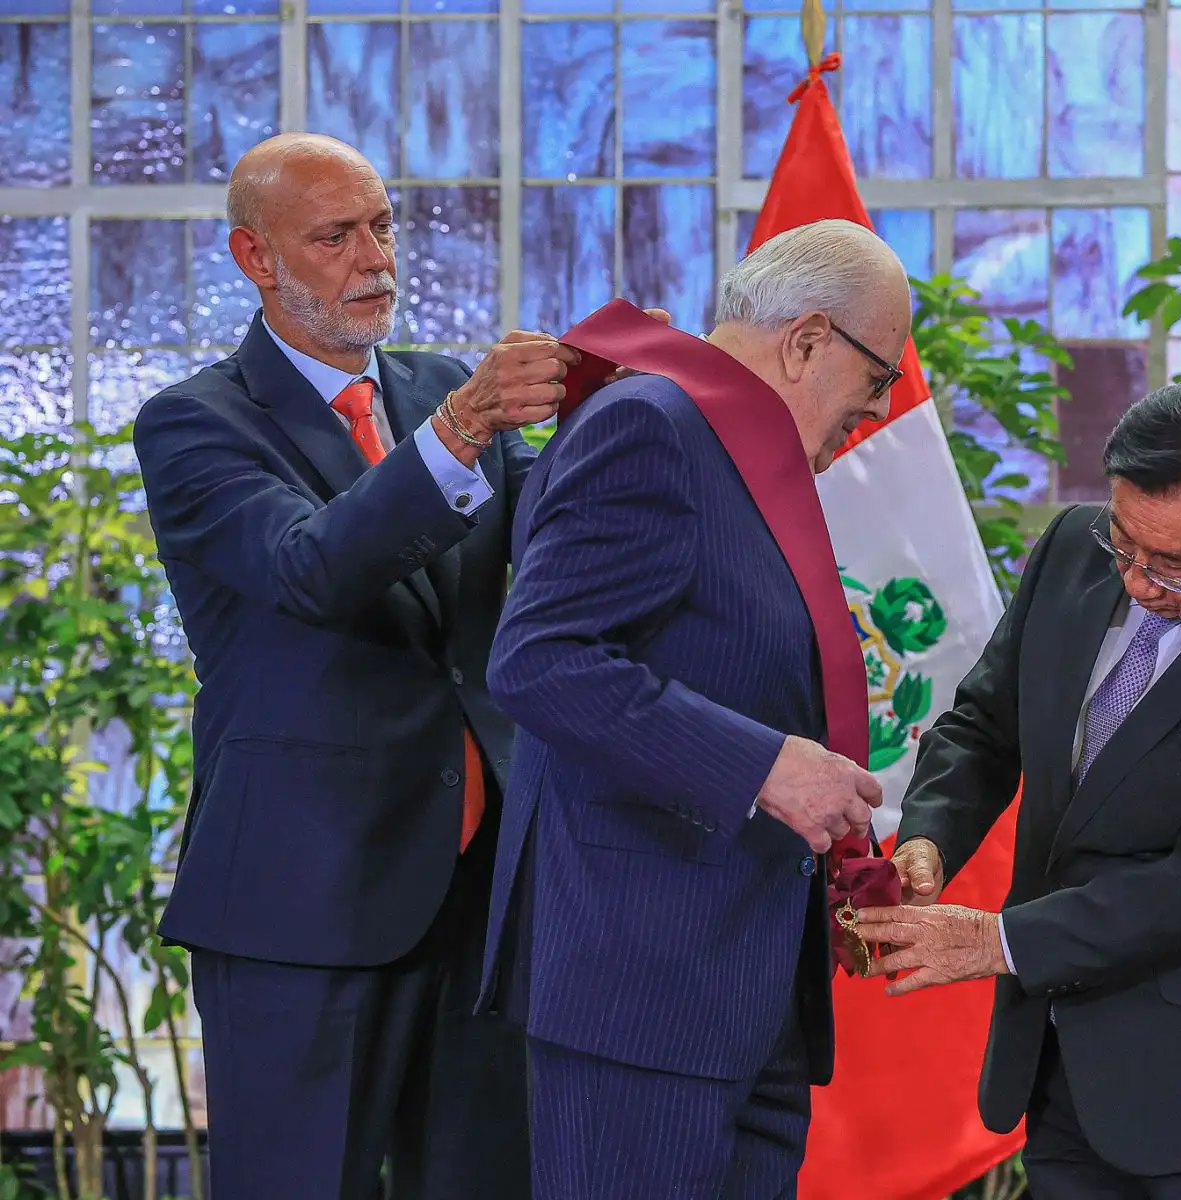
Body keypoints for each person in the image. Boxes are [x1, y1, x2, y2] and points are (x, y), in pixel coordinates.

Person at [134, 132, 658, 1200]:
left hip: (486, 893)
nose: (374, 257)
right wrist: (467, 426)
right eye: (335, 236)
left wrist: (650, 419)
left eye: (382, 225)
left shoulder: (437, 392)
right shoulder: (195, 422)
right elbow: (314, 568)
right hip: (301, 905)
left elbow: (559, 559)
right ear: (256, 257)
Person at [855, 380, 1181, 1199]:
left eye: (1171, 566)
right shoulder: (1073, 547)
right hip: (1067, 1078)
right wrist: (929, 836)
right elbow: (987, 723)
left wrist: (998, 942)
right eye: (1123, 541)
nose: (1136, 581)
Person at [474, 218, 911, 1198]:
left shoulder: (738, 457)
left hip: (741, 991)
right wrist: (764, 766)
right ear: (805, 342)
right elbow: (539, 659)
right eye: (878, 376)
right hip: (643, 991)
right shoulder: (652, 426)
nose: (877, 411)